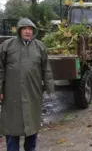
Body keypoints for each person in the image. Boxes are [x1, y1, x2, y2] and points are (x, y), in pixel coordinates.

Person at [0, 18, 55, 151]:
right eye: (24, 29)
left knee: (32, 126)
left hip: (33, 93)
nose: (27, 31)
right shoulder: (7, 45)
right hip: (12, 93)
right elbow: (0, 69)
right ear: (19, 30)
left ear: (33, 31)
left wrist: (50, 89)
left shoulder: (40, 47)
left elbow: (46, 69)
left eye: (30, 29)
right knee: (12, 128)